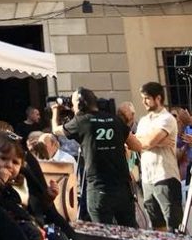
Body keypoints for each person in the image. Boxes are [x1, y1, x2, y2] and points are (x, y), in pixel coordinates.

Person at [52, 87, 142, 226]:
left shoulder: (81, 122)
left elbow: (56, 130)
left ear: (81, 104)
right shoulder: (115, 120)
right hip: (122, 188)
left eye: (74, 103)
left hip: (99, 189)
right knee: (131, 231)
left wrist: (55, 111)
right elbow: (136, 145)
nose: (72, 106)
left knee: (104, 235)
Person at [0, 131, 78, 240]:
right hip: (11, 226)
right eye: (3, 158)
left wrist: (48, 197)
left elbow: (36, 206)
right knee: (30, 230)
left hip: (34, 222)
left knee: (56, 233)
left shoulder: (23, 180)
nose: (9, 165)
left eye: (15, 162)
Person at [135, 81, 182, 231]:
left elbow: (147, 141)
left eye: (147, 98)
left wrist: (147, 141)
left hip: (165, 176)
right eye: (142, 98)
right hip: (147, 178)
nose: (143, 102)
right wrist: (153, 142)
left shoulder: (167, 118)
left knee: (173, 225)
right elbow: (133, 143)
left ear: (158, 98)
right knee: (156, 224)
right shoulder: (143, 121)